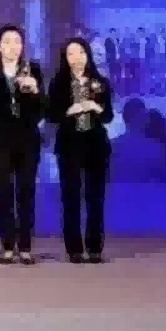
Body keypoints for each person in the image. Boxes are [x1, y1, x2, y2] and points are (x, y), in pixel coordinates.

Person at [0, 24, 44, 264]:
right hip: (0, 142)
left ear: (22, 46)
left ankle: (25, 247)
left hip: (27, 140)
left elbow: (42, 110)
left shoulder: (33, 69)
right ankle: (7, 246)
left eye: (17, 41)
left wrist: (35, 90)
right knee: (4, 194)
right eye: (7, 41)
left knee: (26, 193)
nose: (13, 46)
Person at [47, 37, 115, 263]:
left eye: (81, 53)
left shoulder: (100, 81)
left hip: (96, 145)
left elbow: (108, 116)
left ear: (88, 55)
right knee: (71, 197)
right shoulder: (58, 83)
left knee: (95, 198)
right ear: (65, 58)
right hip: (69, 145)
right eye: (71, 54)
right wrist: (70, 110)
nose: (77, 58)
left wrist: (96, 107)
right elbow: (51, 115)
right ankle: (74, 249)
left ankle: (95, 248)